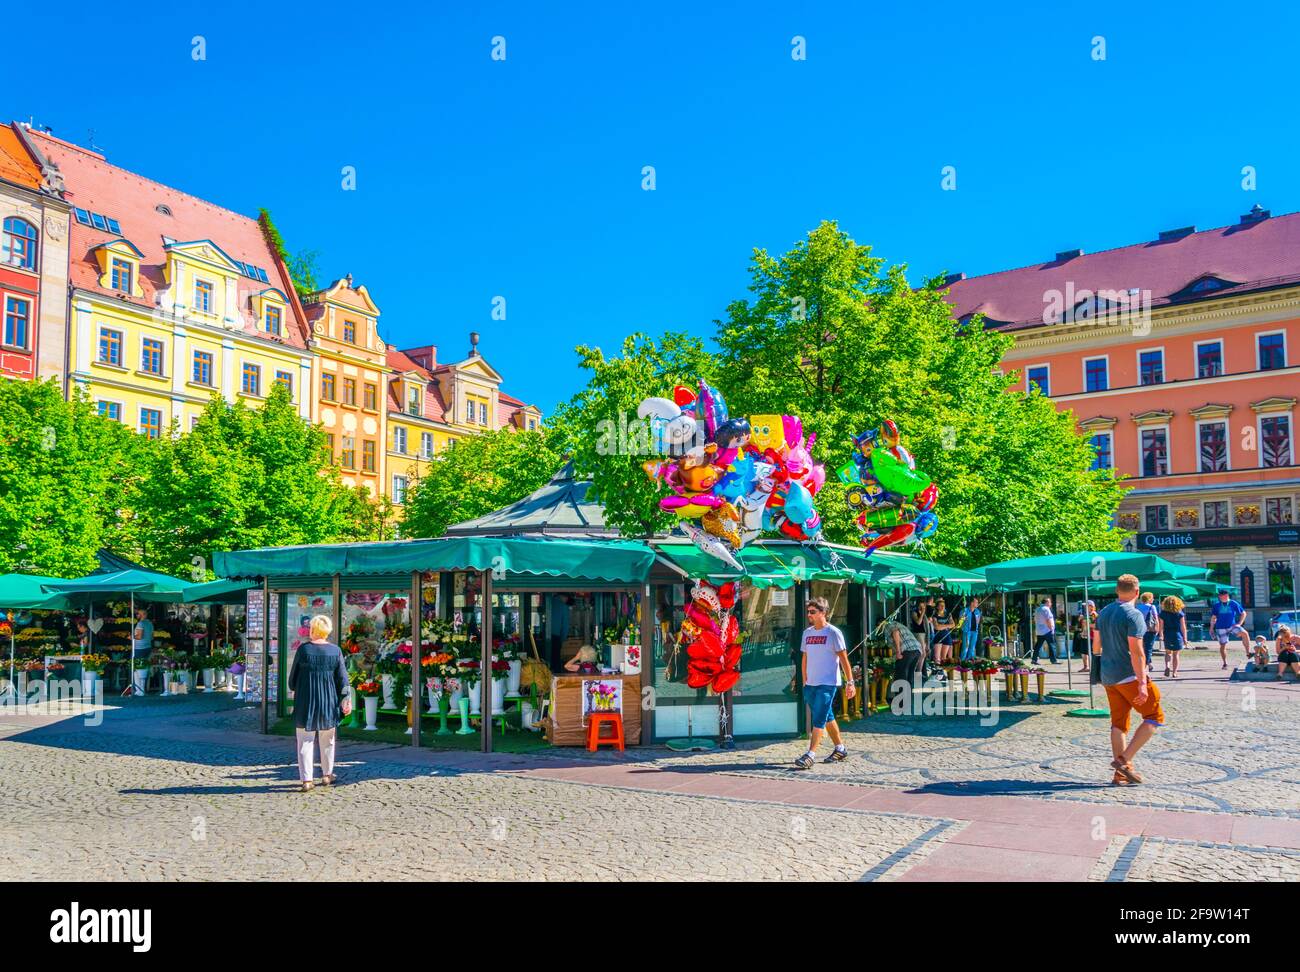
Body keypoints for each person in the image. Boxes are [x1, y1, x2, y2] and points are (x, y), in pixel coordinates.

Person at [1093, 574, 1164, 786]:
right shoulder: (1133, 615)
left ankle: (1121, 775)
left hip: (1108, 676)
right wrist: (1142, 682)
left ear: (1116, 590)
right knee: (1154, 715)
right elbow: (1137, 652)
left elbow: (1096, 646)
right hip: (1129, 675)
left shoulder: (1103, 613)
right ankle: (1124, 761)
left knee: (1118, 723)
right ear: (1137, 592)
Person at [287, 614, 350, 792]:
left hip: (306, 701)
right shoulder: (335, 651)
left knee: (305, 741)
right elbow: (343, 680)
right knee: (328, 740)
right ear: (327, 631)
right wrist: (346, 700)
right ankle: (327, 774)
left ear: (313, 630)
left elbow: (292, 679)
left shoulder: (304, 650)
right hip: (328, 702)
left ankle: (307, 779)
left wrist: (294, 687)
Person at [793, 597, 855, 770]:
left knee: (818, 718)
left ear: (823, 613)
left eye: (813, 612)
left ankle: (810, 754)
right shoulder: (807, 633)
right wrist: (804, 680)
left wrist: (850, 682)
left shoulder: (833, 633)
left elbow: (844, 659)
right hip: (811, 684)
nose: (809, 615)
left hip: (828, 684)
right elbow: (804, 657)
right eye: (808, 612)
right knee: (827, 716)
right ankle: (840, 749)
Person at [1209, 590, 1251, 670]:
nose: (1221, 597)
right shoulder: (1216, 605)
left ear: (1227, 595)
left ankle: (1248, 653)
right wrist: (1211, 628)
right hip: (1220, 627)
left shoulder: (1233, 603)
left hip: (1232, 625)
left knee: (1244, 633)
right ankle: (1225, 663)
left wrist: (1240, 623)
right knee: (1223, 645)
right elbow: (1213, 618)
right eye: (1220, 596)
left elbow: (1243, 613)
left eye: (1223, 595)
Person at [1158, 596, 1187, 678]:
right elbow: (1183, 626)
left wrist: (1161, 635)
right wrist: (1185, 638)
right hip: (1177, 634)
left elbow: (1161, 626)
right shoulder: (1179, 613)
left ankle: (1167, 666)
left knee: (1167, 653)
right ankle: (1174, 672)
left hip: (1167, 634)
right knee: (1176, 654)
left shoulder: (1163, 613)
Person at [1136, 592, 1160, 672]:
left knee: (1143, 648)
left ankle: (1149, 664)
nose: (1153, 599)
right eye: (1152, 598)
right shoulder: (1152, 607)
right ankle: (1145, 666)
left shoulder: (1137, 607)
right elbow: (1156, 618)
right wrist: (1158, 629)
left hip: (1140, 629)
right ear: (1149, 599)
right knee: (1149, 648)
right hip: (1150, 629)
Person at [1032, 597, 1058, 663]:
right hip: (1047, 630)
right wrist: (1051, 629)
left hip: (1039, 631)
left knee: (1038, 646)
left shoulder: (1037, 609)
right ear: (1046, 602)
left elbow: (1035, 620)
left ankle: (1034, 659)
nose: (1051, 604)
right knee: (1052, 645)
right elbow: (1048, 619)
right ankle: (1053, 660)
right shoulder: (1046, 609)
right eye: (1050, 602)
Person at [1074, 601, 1097, 672]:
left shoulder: (1094, 615)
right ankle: (1086, 667)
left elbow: (1096, 625)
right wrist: (1079, 620)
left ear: (1090, 606)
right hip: (1084, 636)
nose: (1085, 607)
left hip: (1091, 636)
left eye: (1086, 606)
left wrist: (1087, 624)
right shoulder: (1086, 615)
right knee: (1083, 653)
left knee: (1092, 652)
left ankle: (1093, 668)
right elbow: (1081, 626)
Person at [930, 598, 954, 666]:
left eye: (944, 605)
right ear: (937, 607)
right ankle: (936, 671)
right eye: (941, 605)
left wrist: (942, 626)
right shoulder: (935, 616)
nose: (943, 607)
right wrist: (947, 626)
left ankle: (942, 673)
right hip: (938, 636)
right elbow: (936, 627)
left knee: (944, 658)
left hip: (947, 636)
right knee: (937, 658)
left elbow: (953, 624)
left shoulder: (948, 614)